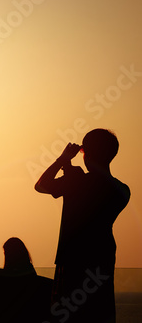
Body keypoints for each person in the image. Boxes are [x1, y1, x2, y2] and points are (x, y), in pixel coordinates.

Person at [35, 128, 130, 322]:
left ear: (86, 153)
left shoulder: (77, 181)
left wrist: (63, 161)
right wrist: (72, 173)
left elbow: (41, 185)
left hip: (72, 259)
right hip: (102, 257)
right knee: (99, 310)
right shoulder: (122, 190)